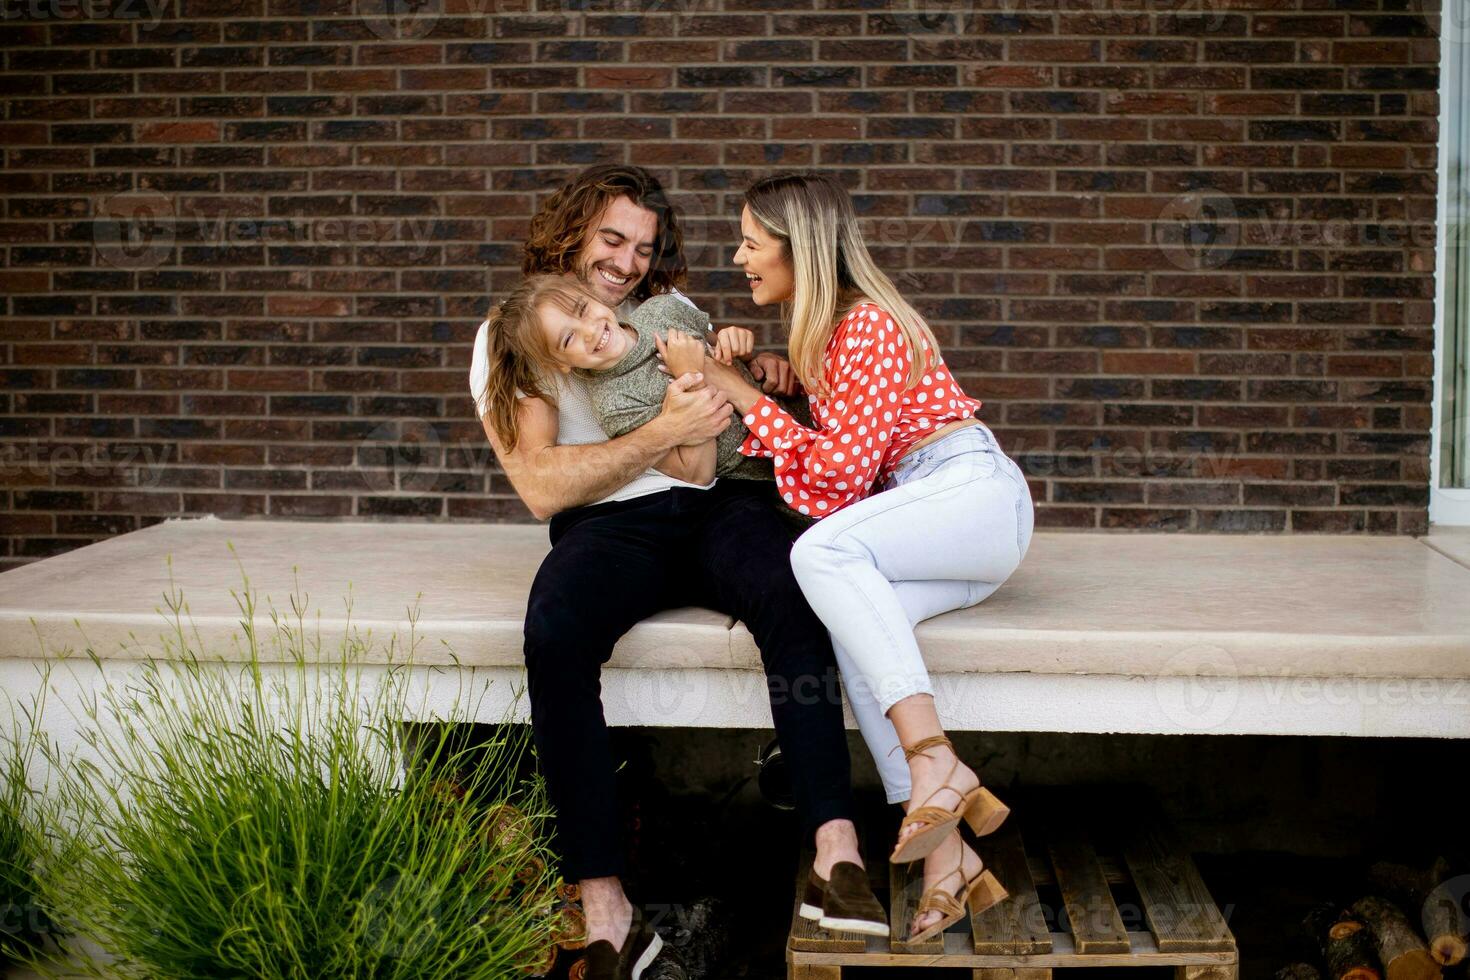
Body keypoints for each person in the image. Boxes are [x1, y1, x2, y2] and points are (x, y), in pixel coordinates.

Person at [469, 166, 887, 980]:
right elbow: (540, 483)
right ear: (571, 230)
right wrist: (662, 433)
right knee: (554, 628)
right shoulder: (514, 333)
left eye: (644, 248)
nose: (626, 264)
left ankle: (835, 847)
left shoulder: (665, 312)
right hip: (611, 525)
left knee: (791, 588)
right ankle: (605, 904)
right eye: (611, 241)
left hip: (725, 501)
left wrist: (748, 361)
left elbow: (726, 403)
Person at [691, 172, 1036, 943]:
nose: (739, 255)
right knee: (854, 632)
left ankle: (933, 757)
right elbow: (839, 467)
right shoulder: (827, 336)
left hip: (969, 494)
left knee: (820, 553)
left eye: (751, 240)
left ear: (799, 248)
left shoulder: (869, 325)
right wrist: (778, 384)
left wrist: (746, 400)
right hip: (937, 516)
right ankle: (950, 862)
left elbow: (834, 491)